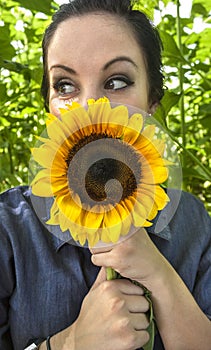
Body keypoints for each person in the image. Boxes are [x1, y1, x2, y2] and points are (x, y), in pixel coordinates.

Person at [0, 0, 210, 349]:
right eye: (65, 86)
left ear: (152, 101)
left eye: (116, 80)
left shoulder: (192, 223)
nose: (90, 107)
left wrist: (160, 276)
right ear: (49, 107)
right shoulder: (9, 229)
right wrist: (69, 343)